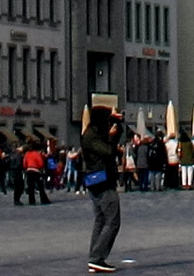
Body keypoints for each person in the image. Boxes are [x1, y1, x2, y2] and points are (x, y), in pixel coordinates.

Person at [78, 106, 123, 275]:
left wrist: (117, 125)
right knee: (112, 221)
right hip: (101, 181)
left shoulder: (93, 133)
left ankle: (96, 258)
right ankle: (96, 258)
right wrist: (111, 138)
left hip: (96, 180)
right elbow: (109, 152)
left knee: (101, 220)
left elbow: (114, 140)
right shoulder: (92, 137)